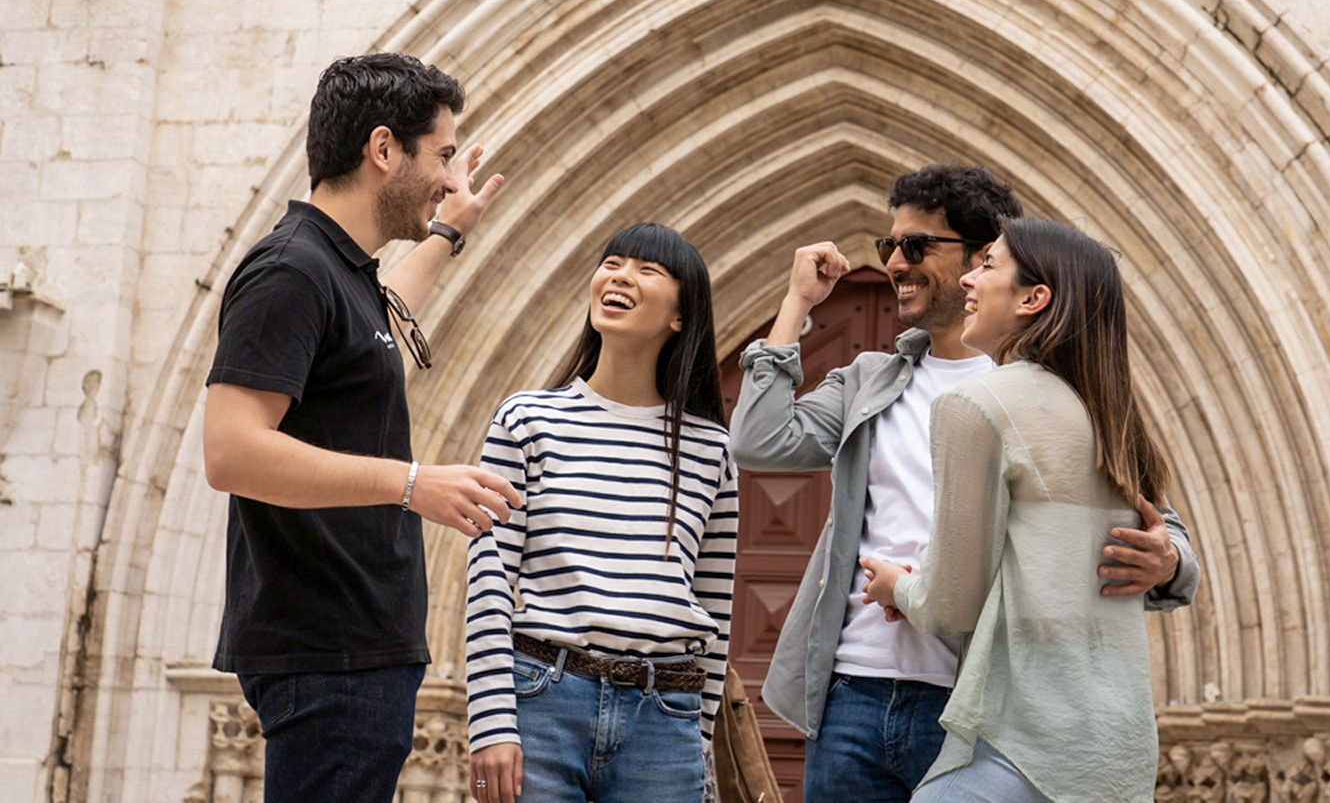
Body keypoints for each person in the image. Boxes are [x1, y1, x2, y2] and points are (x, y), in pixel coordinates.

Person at [729, 164, 1198, 803]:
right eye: (888, 247)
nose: (897, 262)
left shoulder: (1069, 395)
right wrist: (796, 306)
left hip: (979, 704)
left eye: (917, 246)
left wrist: (1169, 562)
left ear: (984, 256)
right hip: (852, 694)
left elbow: (1154, 522)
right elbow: (758, 441)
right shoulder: (870, 378)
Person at [202, 52, 523, 803]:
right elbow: (232, 449)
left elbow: (373, 336)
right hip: (327, 649)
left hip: (356, 650)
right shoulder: (291, 269)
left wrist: (446, 233)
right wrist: (411, 483)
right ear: (384, 149)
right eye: (442, 154)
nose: (450, 175)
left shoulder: (339, 272)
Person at [861, 217, 1170, 801]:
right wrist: (1175, 560)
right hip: (1116, 750)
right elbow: (1163, 531)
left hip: (1022, 745)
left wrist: (897, 587)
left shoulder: (975, 404)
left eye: (988, 266)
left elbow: (954, 601)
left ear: (1034, 298)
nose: (970, 281)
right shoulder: (1109, 412)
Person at [465, 223, 739, 803]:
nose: (620, 276)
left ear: (681, 317)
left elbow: (716, 603)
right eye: (612, 262)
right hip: (541, 700)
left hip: (665, 718)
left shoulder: (711, 449)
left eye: (647, 269)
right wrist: (490, 721)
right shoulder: (525, 421)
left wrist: (700, 740)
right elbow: (489, 578)